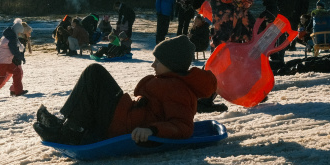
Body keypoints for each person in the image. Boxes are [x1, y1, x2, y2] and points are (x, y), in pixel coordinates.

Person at [33, 35, 217, 145]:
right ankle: (67, 126)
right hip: (125, 115)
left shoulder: (178, 89)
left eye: (158, 61)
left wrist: (152, 131)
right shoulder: (170, 81)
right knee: (94, 81)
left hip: (125, 124)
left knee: (94, 73)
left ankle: (70, 132)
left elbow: (183, 127)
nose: (153, 65)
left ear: (172, 64)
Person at [0, 18, 28, 101]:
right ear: (17, 30)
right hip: (3, 61)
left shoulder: (9, 35)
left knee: (17, 71)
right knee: (0, 77)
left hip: (6, 61)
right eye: (19, 32)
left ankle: (18, 91)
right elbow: (14, 50)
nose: (19, 34)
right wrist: (21, 57)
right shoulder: (11, 38)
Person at [269, 0, 297, 66]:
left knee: (279, 33)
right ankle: (278, 55)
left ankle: (279, 56)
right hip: (284, 10)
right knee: (278, 33)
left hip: (284, 11)